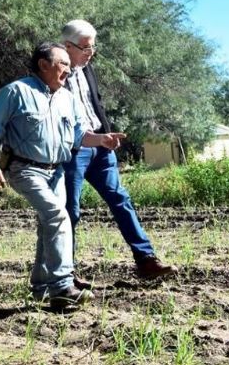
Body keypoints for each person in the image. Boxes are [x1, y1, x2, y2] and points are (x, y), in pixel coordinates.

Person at [0, 42, 127, 309]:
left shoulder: (67, 99)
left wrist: (102, 139)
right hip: (24, 169)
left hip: (56, 171)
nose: (69, 71)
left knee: (48, 223)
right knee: (58, 216)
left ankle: (40, 287)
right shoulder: (16, 91)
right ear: (43, 65)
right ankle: (62, 286)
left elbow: (79, 136)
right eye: (64, 64)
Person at [60, 19, 178, 282]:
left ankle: (146, 261)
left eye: (93, 47)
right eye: (85, 48)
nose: (91, 53)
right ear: (67, 47)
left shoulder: (88, 70)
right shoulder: (53, 74)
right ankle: (65, 274)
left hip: (101, 148)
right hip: (73, 151)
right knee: (70, 211)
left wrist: (106, 134)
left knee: (120, 200)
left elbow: (95, 105)